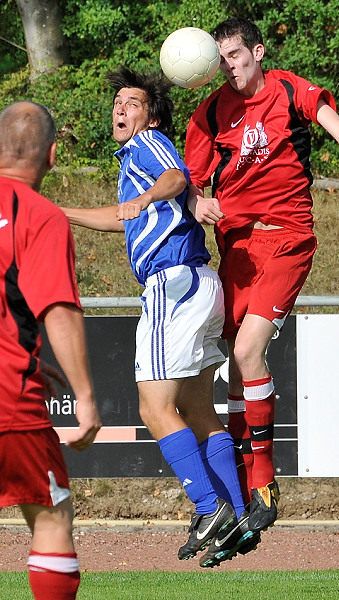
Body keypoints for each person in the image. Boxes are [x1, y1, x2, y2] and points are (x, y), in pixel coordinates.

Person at [185, 17, 339, 533]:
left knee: (247, 351)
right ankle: (242, 483)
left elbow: (338, 128)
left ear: (257, 52)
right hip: (237, 248)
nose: (229, 66)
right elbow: (188, 182)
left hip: (287, 238)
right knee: (235, 365)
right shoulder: (210, 111)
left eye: (236, 55)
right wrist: (198, 204)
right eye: (221, 58)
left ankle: (263, 478)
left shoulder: (289, 90)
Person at [61, 67, 259, 568]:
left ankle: (209, 507)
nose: (120, 108)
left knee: (153, 409)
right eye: (117, 102)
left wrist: (148, 196)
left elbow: (176, 178)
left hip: (172, 284)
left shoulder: (147, 144)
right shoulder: (134, 161)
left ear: (150, 117)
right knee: (196, 409)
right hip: (197, 282)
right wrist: (62, 213)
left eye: (132, 102)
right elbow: (121, 216)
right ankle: (237, 513)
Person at [0, 101, 102, 600]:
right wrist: (85, 397)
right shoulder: (39, 215)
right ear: (53, 154)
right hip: (9, 399)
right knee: (51, 516)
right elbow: (57, 308)